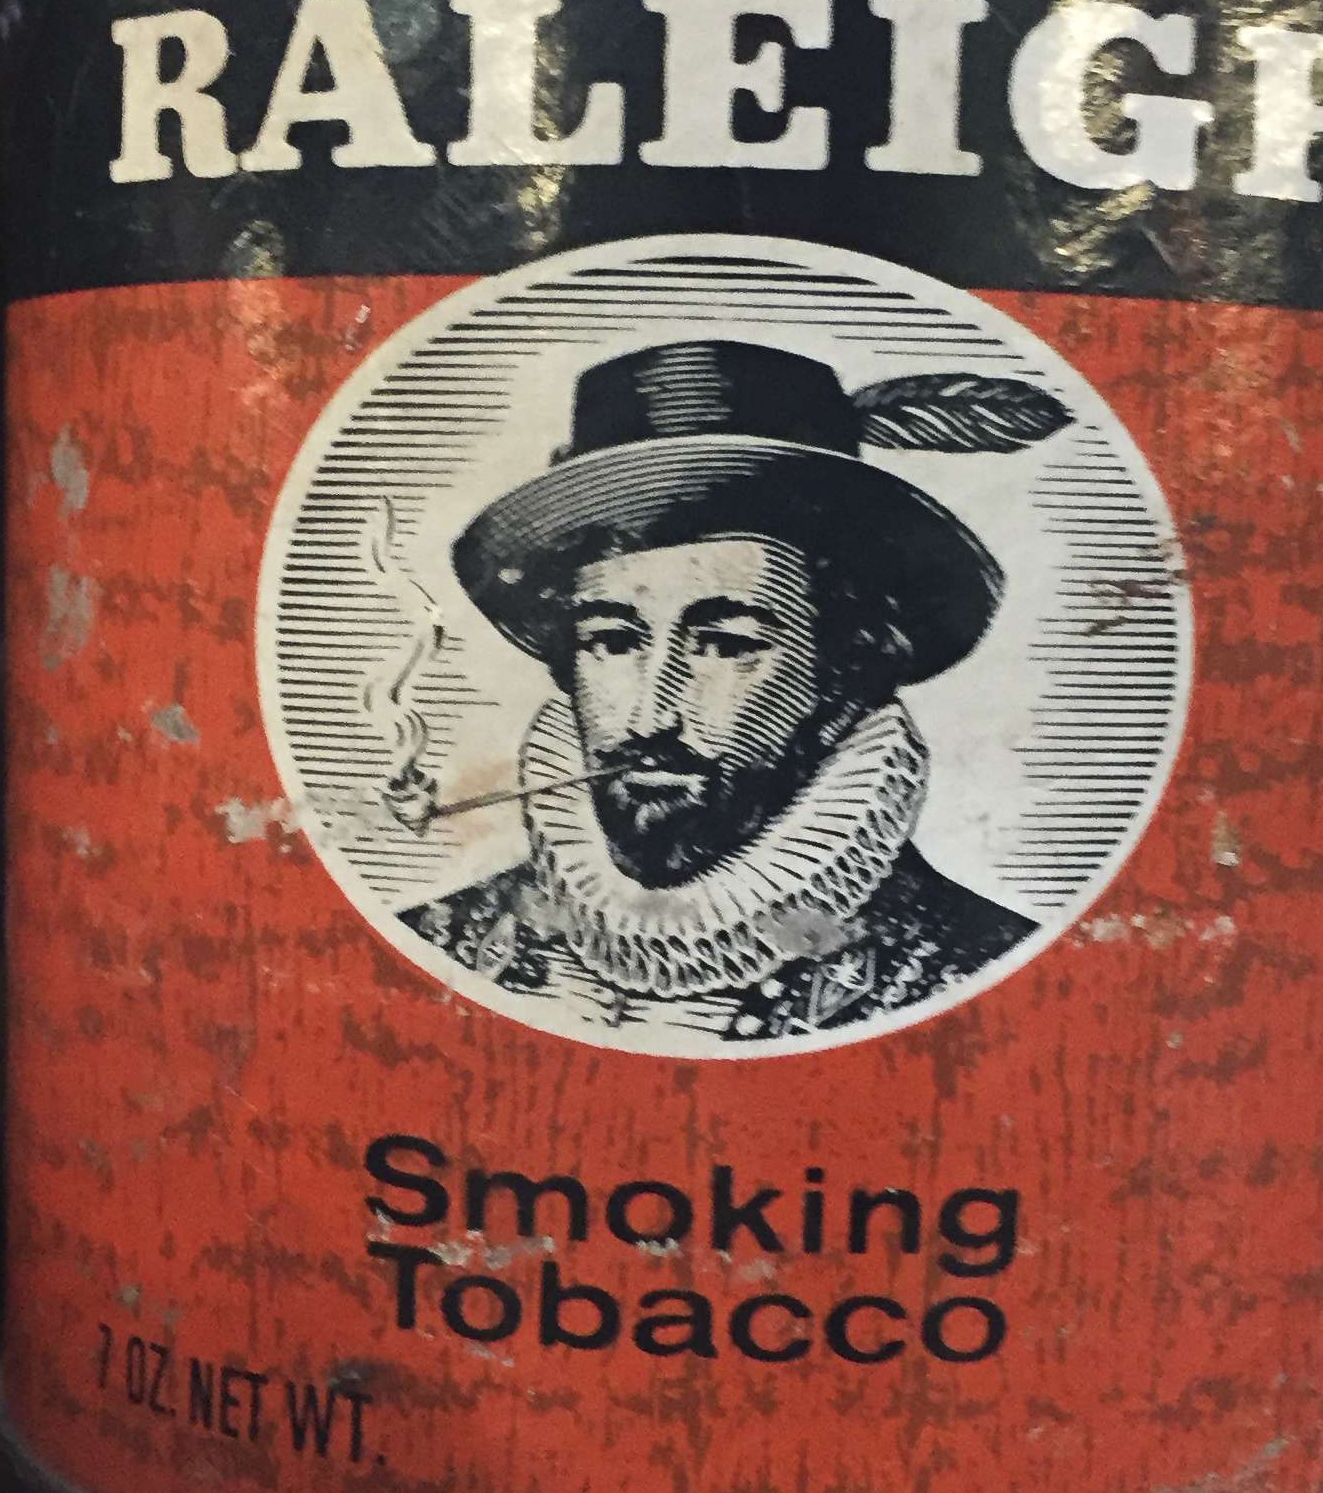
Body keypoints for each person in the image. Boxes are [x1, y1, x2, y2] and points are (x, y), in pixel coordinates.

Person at [401, 337, 1048, 1041]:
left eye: (727, 646)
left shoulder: (983, 970)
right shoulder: (435, 944)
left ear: (846, 667)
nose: (650, 716)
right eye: (612, 641)